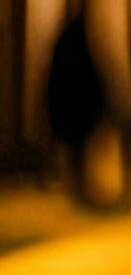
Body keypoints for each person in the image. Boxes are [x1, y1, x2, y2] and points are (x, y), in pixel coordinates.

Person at [45, 14, 106, 205]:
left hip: (70, 112)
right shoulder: (84, 54)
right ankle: (78, 187)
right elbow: (95, 84)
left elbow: (51, 85)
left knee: (74, 152)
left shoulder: (62, 55)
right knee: (79, 151)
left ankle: (76, 187)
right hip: (79, 113)